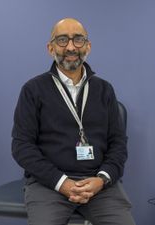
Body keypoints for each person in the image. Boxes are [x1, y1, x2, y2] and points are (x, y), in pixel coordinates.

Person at [12, 18, 136, 225]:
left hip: (98, 184)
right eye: (62, 40)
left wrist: (102, 179)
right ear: (50, 48)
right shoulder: (33, 90)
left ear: (88, 46)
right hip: (49, 184)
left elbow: (118, 144)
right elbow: (22, 147)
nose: (71, 47)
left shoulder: (104, 90)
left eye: (78, 39)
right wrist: (62, 182)